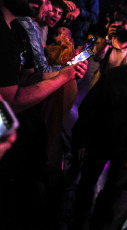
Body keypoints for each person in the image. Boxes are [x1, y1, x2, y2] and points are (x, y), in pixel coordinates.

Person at [0, 0, 87, 228]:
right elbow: (12, 101)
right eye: (48, 2)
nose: (47, 5)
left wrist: (66, 72)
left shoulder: (18, 29)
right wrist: (61, 78)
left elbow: (29, 77)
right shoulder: (6, 35)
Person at [70, 34, 127, 230]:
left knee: (112, 190)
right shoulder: (113, 77)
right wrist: (81, 141)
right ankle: (76, 222)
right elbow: (88, 109)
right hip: (99, 143)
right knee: (86, 186)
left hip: (126, 151)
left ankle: (98, 222)